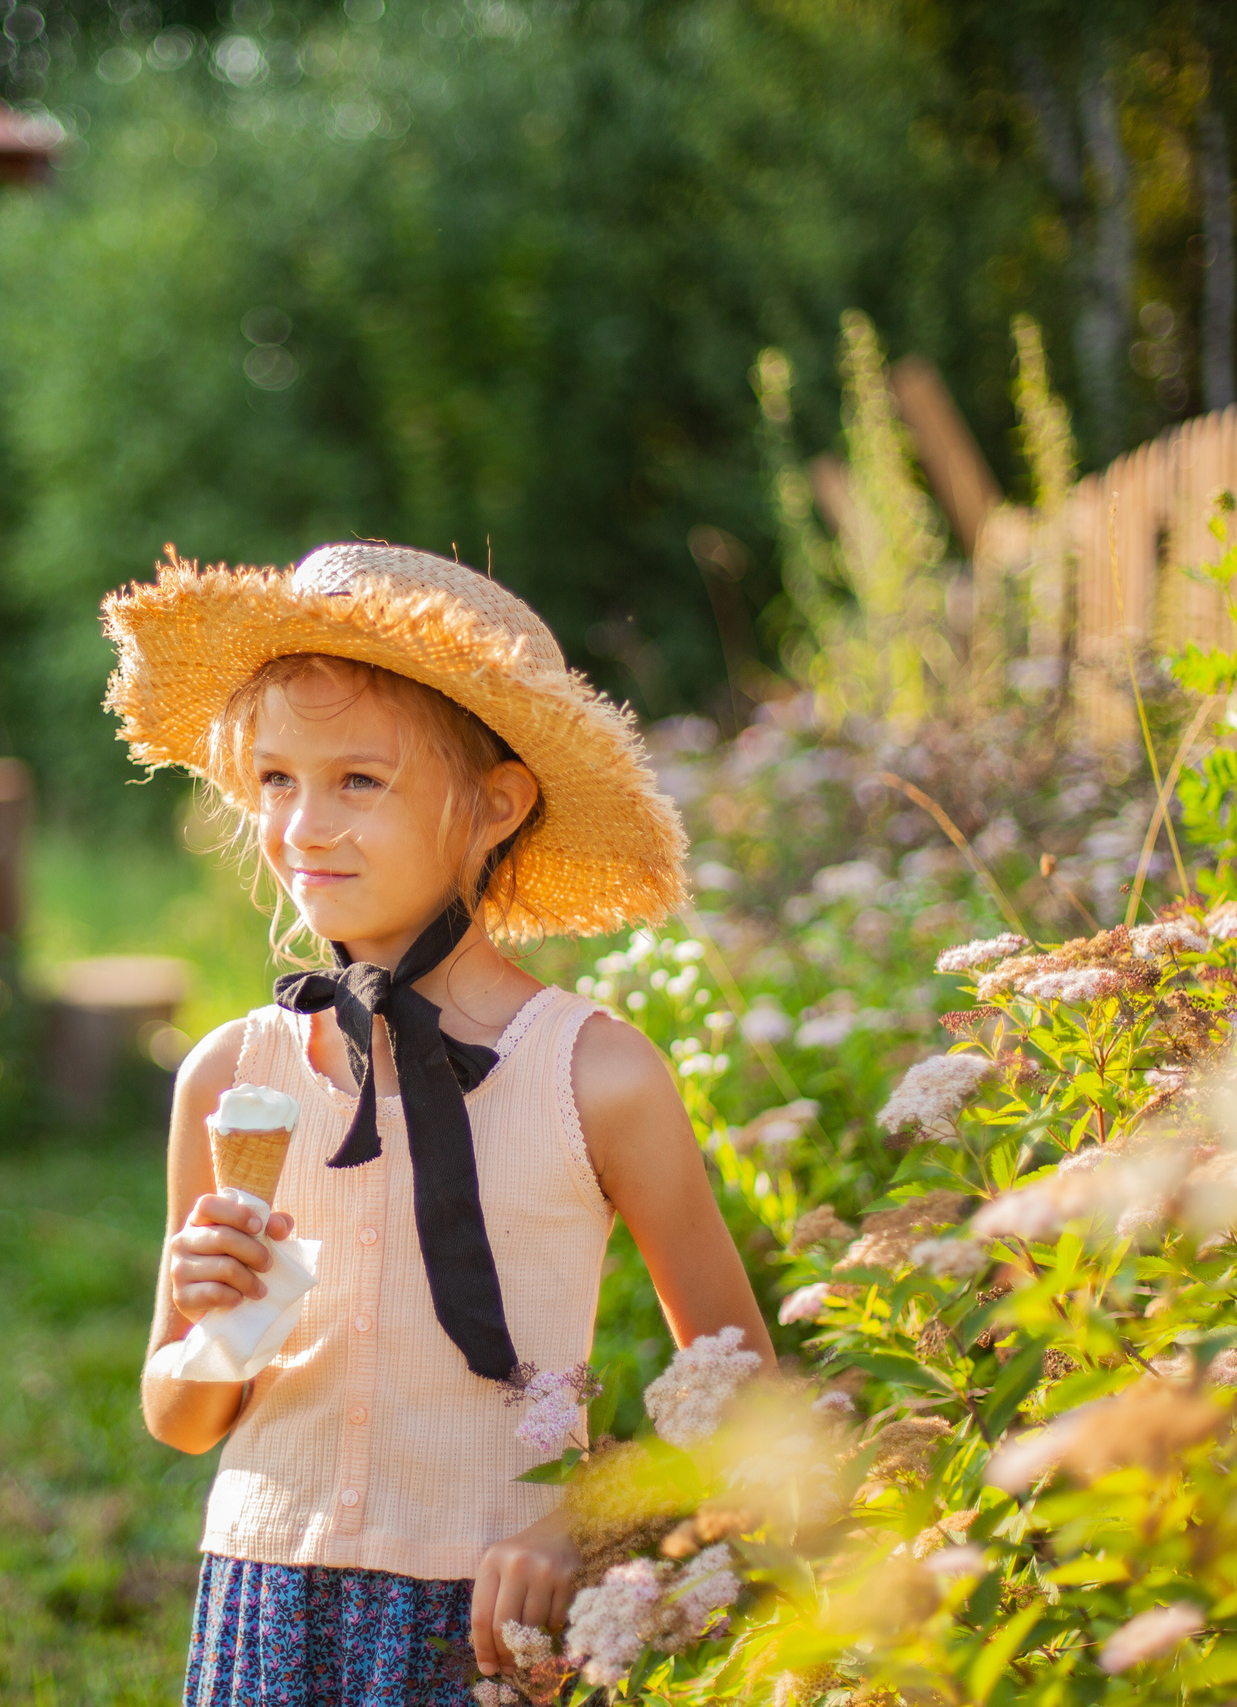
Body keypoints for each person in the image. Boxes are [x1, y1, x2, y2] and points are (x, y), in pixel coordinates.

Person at [105, 542, 769, 1705]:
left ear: (497, 804)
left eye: (359, 781)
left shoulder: (594, 1075)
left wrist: (585, 1522)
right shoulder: (229, 1075)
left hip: (487, 1620)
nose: (303, 826)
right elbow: (181, 1417)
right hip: (262, 1608)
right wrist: (218, 1327)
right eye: (275, 779)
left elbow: (745, 1391)